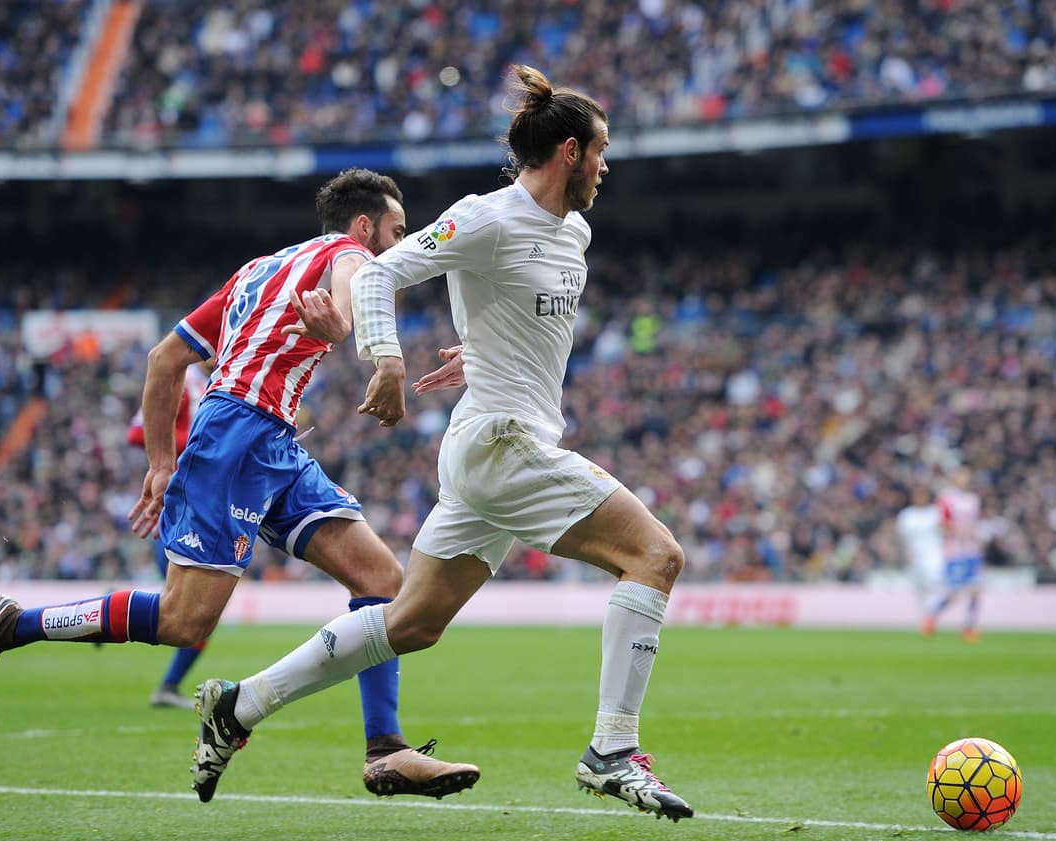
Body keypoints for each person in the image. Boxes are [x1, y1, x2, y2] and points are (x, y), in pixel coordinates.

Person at [188, 65, 694, 821]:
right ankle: (612, 750)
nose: (605, 165)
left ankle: (239, 705)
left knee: (411, 622)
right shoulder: (485, 217)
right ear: (566, 151)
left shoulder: (575, 230)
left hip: (497, 445)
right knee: (656, 556)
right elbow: (378, 276)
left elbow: (522, 320)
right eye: (599, 151)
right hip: (500, 443)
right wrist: (386, 356)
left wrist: (480, 351)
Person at [0, 168, 480, 801]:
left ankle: (385, 750)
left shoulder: (255, 271)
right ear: (364, 226)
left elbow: (165, 358)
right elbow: (354, 290)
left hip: (269, 442)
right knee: (184, 621)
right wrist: (356, 335)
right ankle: (11, 625)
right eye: (396, 231)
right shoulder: (354, 256)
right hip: (236, 437)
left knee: (382, 583)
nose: (398, 245)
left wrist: (162, 464)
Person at [126, 362, 210, 709]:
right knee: (192, 608)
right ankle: (168, 686)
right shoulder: (184, 378)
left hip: (200, 506)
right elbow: (136, 432)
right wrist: (195, 441)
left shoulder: (212, 382)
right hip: (177, 506)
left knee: (192, 607)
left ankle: (109, 604)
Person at [926, 467, 985, 641]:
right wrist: (959, 531)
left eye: (966, 476)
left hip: (972, 551)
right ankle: (932, 615)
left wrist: (976, 538)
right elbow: (941, 524)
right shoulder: (946, 498)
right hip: (955, 551)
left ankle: (969, 627)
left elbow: (975, 523)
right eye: (960, 476)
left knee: (976, 590)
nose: (963, 479)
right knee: (953, 593)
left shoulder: (974, 499)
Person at [895, 484, 944, 632]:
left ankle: (931, 617)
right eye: (917, 495)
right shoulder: (906, 515)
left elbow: (944, 532)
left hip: (934, 554)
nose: (920, 498)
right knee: (920, 589)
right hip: (915, 556)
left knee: (935, 584)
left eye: (922, 494)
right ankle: (923, 620)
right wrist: (906, 554)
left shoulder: (935, 513)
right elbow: (902, 538)